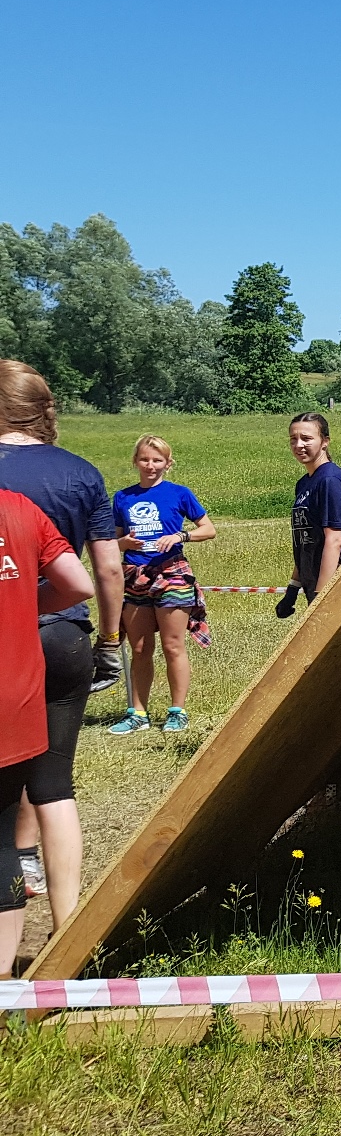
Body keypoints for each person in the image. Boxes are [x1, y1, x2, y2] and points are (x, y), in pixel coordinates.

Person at [0, 360, 121, 948]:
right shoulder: (81, 472)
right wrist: (110, 640)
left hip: (10, 646)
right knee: (54, 784)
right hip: (66, 637)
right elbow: (106, 569)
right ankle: (70, 931)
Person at [0, 485, 95, 975]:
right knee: (4, 838)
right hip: (15, 691)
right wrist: (23, 602)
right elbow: (79, 585)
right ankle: (5, 982)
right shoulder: (19, 507)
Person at [109, 435, 217, 735]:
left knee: (173, 645)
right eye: (145, 459)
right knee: (140, 647)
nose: (150, 465)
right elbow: (111, 542)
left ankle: (177, 711)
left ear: (168, 464)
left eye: (157, 460)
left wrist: (181, 536)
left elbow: (208, 529)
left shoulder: (179, 494)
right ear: (135, 462)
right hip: (135, 576)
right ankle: (138, 713)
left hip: (172, 574)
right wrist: (123, 543)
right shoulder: (122, 497)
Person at [278, 414, 341, 617]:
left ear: (325, 441)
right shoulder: (304, 482)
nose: (298, 445)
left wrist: (321, 596)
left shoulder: (329, 480)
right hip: (311, 581)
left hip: (331, 586)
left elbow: (334, 540)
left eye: (306, 438)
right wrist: (293, 588)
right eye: (293, 439)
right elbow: (305, 540)